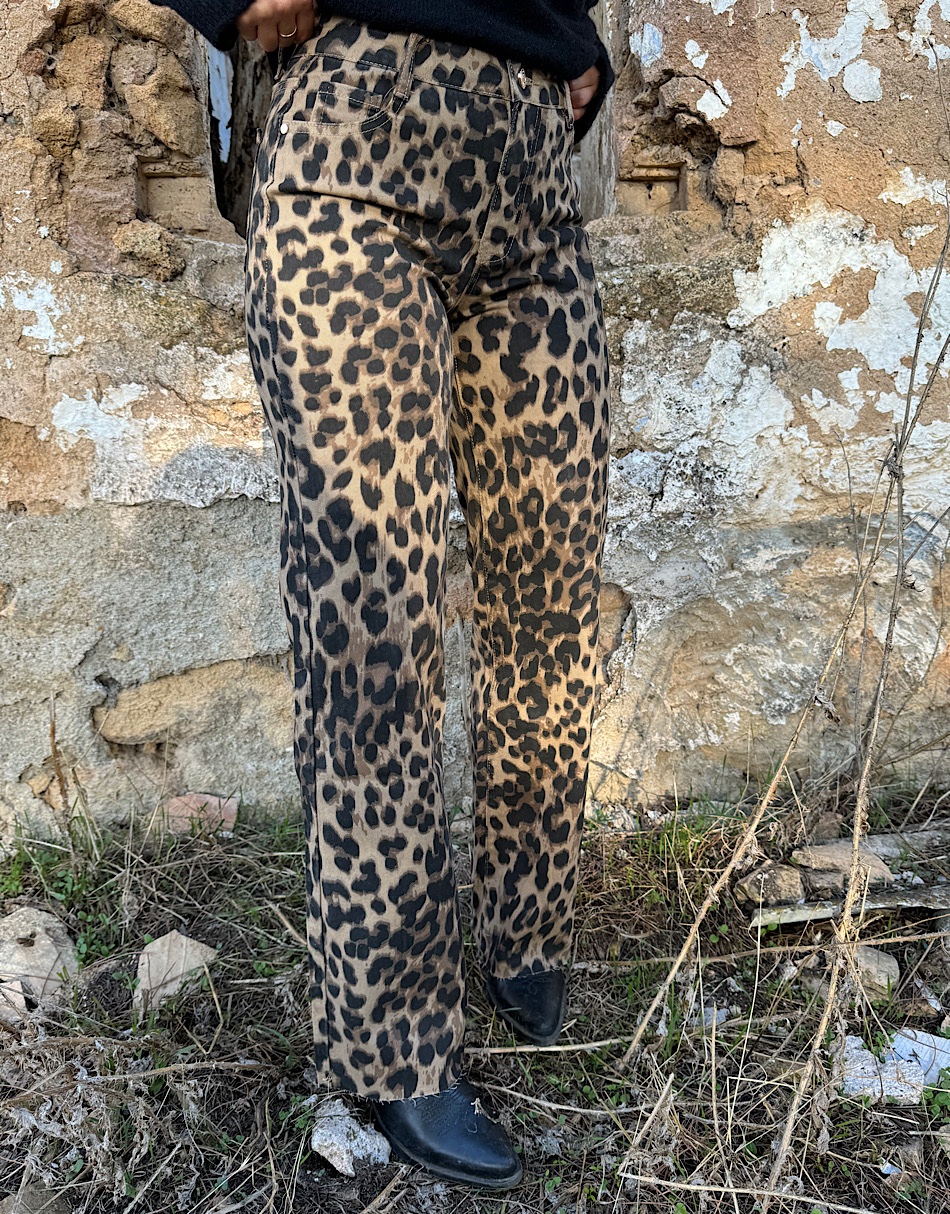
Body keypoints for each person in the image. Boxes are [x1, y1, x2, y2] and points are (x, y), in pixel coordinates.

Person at [150, 0, 615, 1190]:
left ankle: (525, 923)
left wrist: (578, 43)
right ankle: (394, 1040)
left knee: (552, 592)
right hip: (351, 148)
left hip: (531, 181)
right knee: (373, 628)